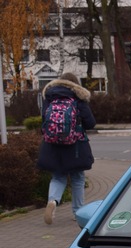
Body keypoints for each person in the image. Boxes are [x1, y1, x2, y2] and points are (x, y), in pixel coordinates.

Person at [37, 73, 96, 225]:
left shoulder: (49, 97)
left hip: (53, 146)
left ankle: (52, 201)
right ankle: (78, 212)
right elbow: (90, 123)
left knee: (57, 177)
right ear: (75, 84)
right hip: (75, 146)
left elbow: (44, 121)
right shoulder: (78, 97)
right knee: (77, 178)